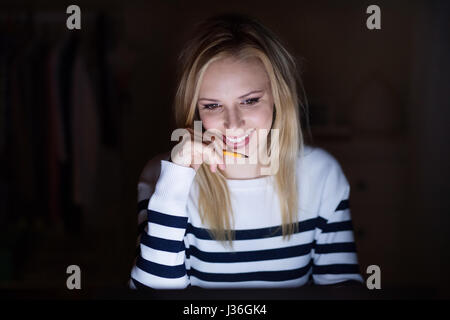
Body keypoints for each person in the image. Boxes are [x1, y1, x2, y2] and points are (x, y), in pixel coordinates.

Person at [129, 13, 364, 289]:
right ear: (195, 109)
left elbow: (342, 288)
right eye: (213, 106)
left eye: (250, 100)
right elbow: (152, 291)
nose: (233, 124)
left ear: (279, 96)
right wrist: (175, 182)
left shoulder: (321, 174)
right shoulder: (164, 176)